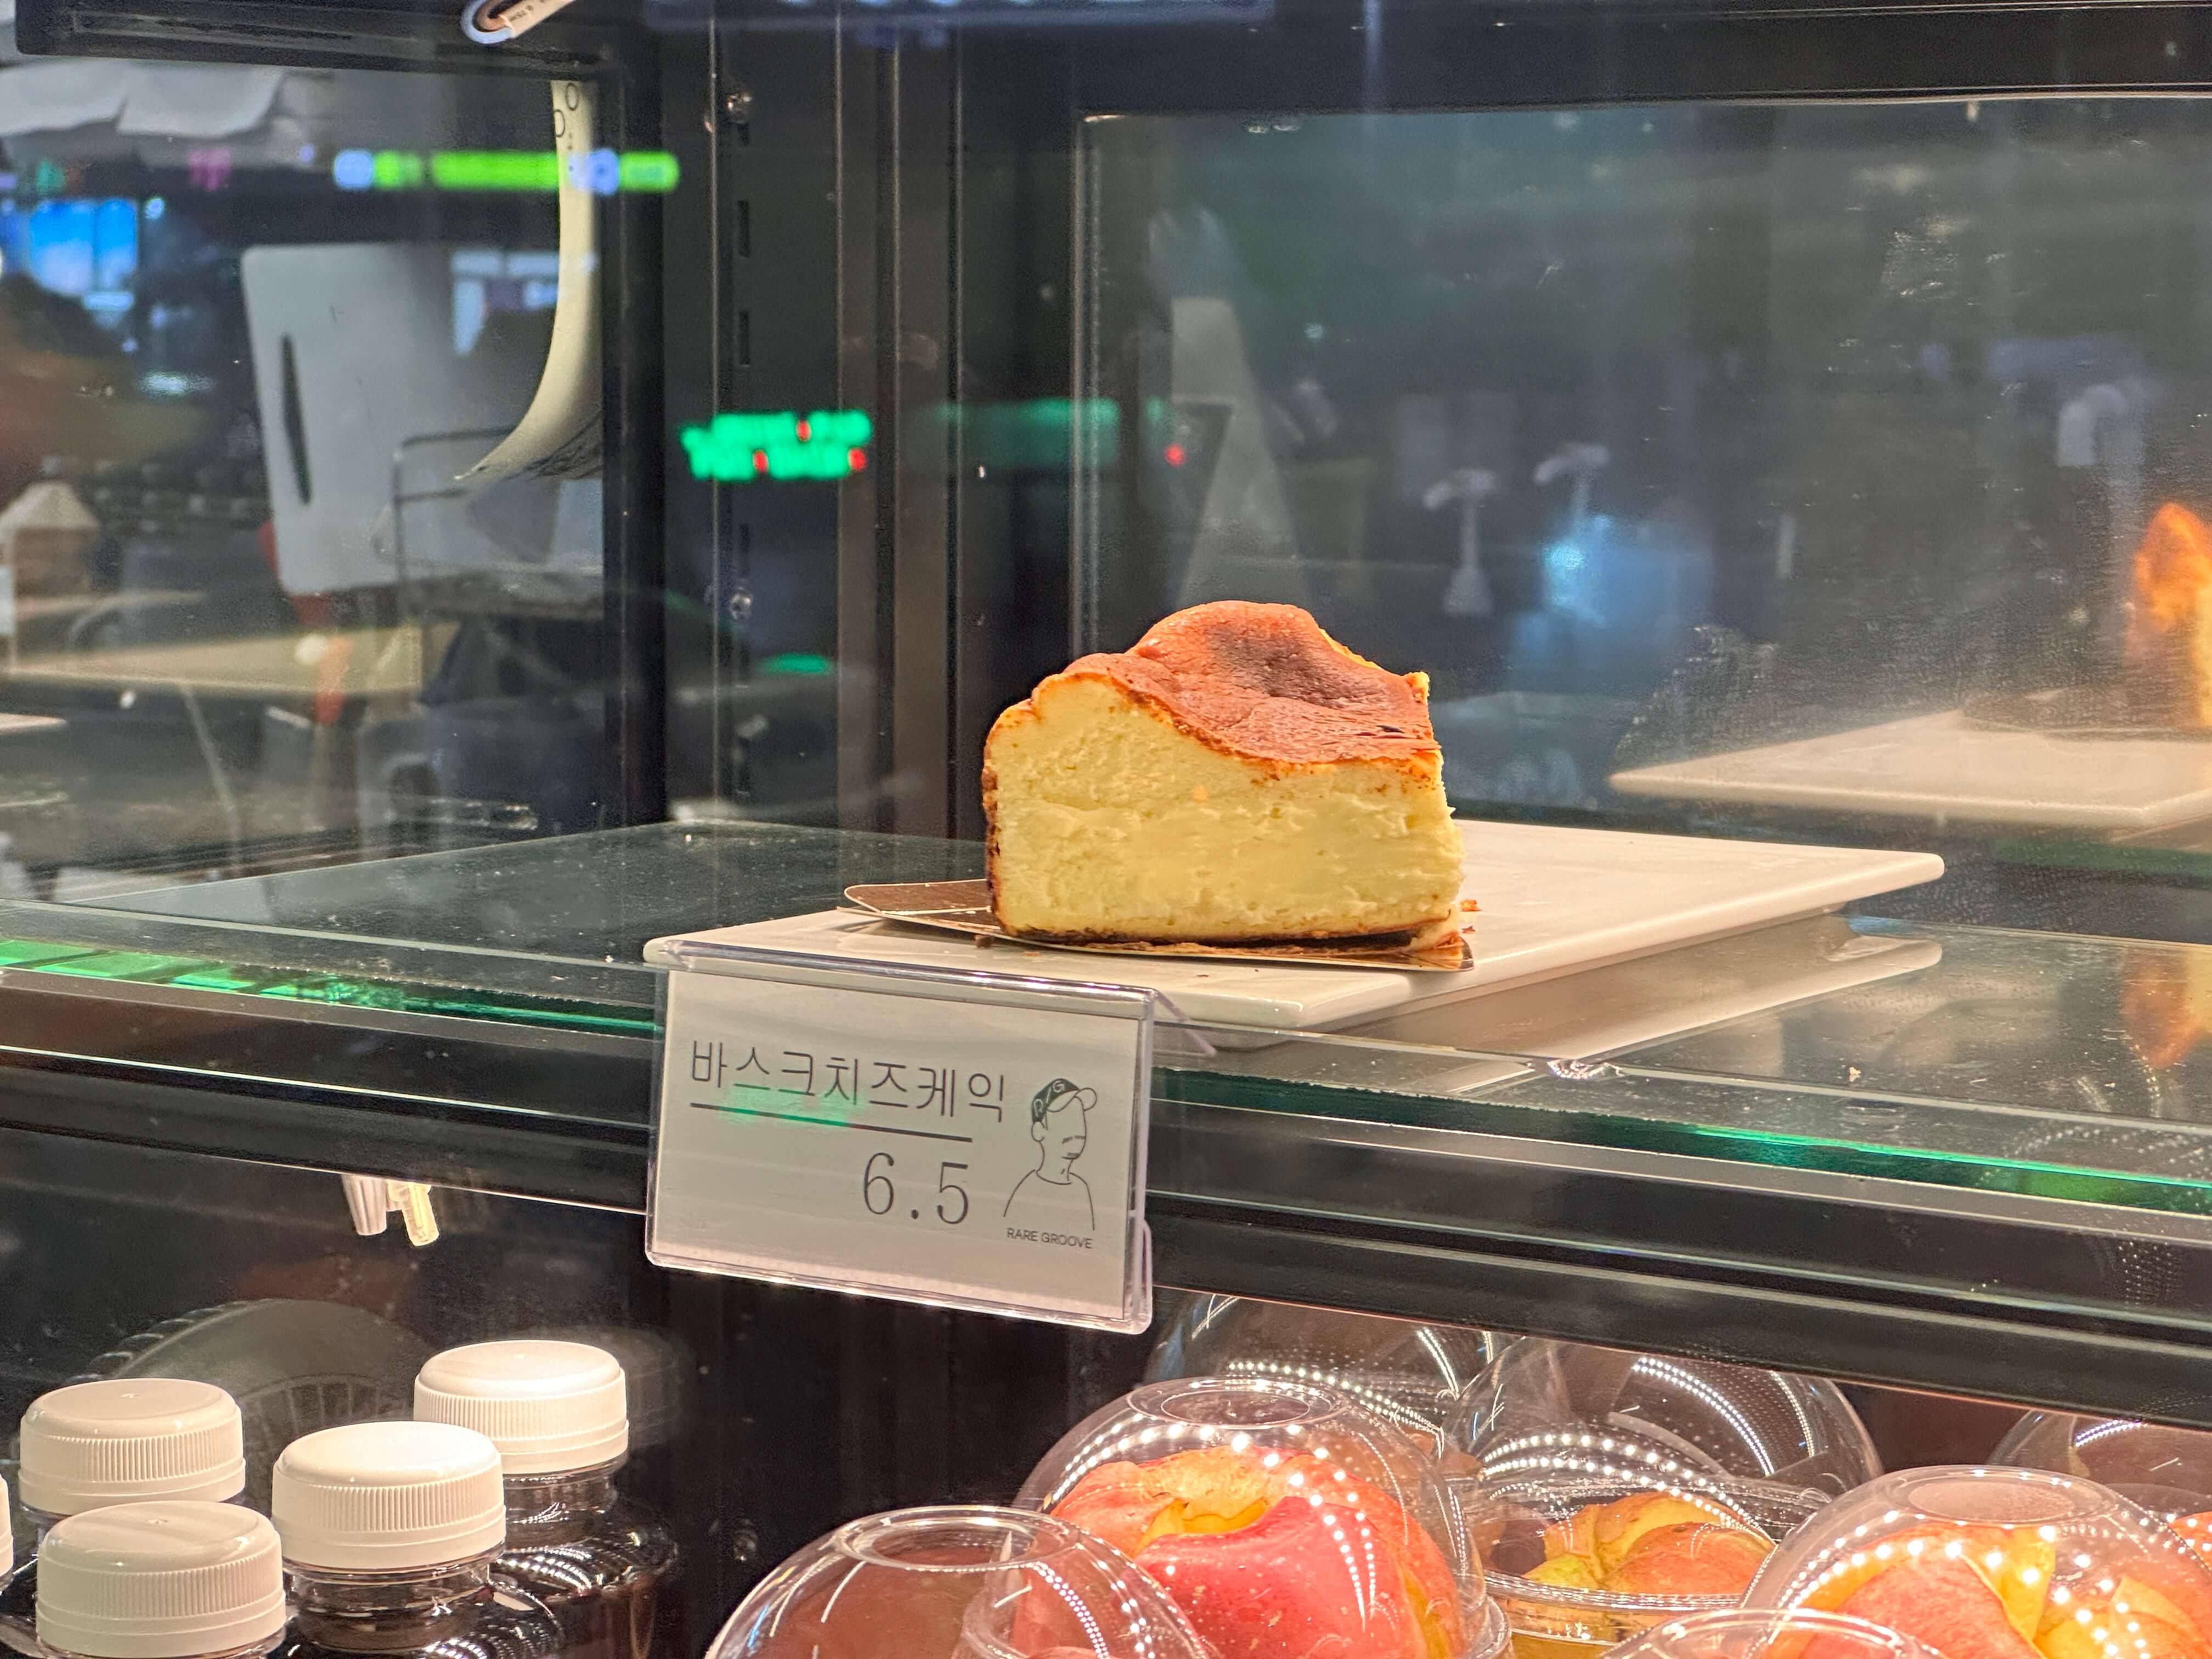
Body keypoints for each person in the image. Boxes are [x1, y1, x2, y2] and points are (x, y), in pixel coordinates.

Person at [1003, 1077, 1096, 1231]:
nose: (1078, 1129)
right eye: (1066, 1119)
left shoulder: (1081, 1189)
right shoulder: (1028, 1190)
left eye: (1079, 1118)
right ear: (1039, 1131)